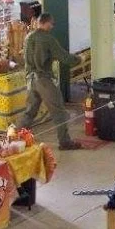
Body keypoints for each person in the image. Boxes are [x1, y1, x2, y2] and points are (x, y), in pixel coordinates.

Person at [18, 13, 82, 150]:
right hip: (44, 80)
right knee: (59, 111)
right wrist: (78, 59)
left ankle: (16, 139)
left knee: (30, 111)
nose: (52, 27)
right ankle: (65, 142)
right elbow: (63, 57)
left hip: (30, 80)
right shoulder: (48, 39)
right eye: (52, 24)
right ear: (46, 23)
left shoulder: (28, 37)